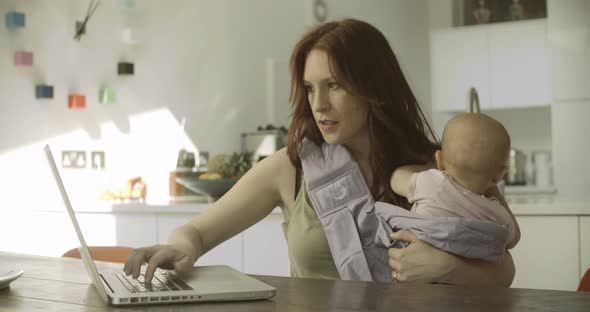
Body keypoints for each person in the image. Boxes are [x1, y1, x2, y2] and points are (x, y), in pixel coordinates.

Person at [124, 18, 517, 286]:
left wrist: (449, 268)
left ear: (373, 89)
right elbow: (195, 231)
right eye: (310, 89)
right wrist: (180, 247)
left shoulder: (440, 168)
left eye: (335, 85)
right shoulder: (291, 167)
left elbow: (504, 266)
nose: (319, 104)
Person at [390, 113, 521, 250]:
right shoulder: (495, 213)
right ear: (500, 174)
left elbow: (396, 179)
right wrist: (498, 197)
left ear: (439, 160)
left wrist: (424, 169)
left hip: (417, 260)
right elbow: (514, 238)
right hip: (464, 269)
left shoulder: (434, 184)